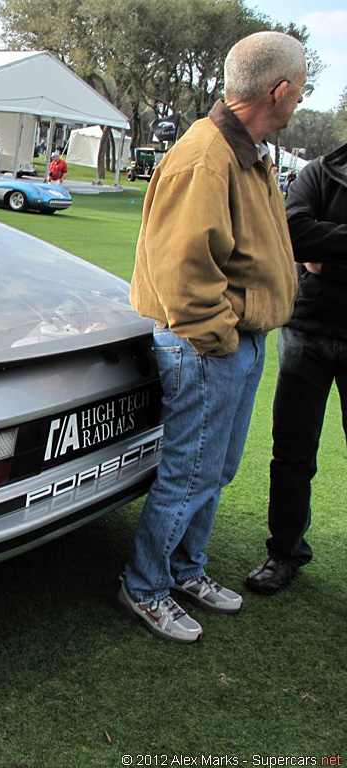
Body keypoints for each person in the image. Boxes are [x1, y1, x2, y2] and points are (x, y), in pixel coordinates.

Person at [117, 31, 306, 643]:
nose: (298, 103)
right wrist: (223, 340)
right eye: (299, 92)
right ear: (277, 91)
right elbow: (184, 274)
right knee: (189, 472)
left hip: (233, 343)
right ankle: (143, 587)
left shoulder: (244, 150)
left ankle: (184, 571)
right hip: (206, 345)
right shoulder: (208, 155)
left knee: (215, 469)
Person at [245, 140, 347, 595]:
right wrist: (313, 255)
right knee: (292, 450)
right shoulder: (321, 171)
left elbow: (312, 243)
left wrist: (329, 260)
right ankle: (284, 552)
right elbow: (293, 232)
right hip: (306, 329)